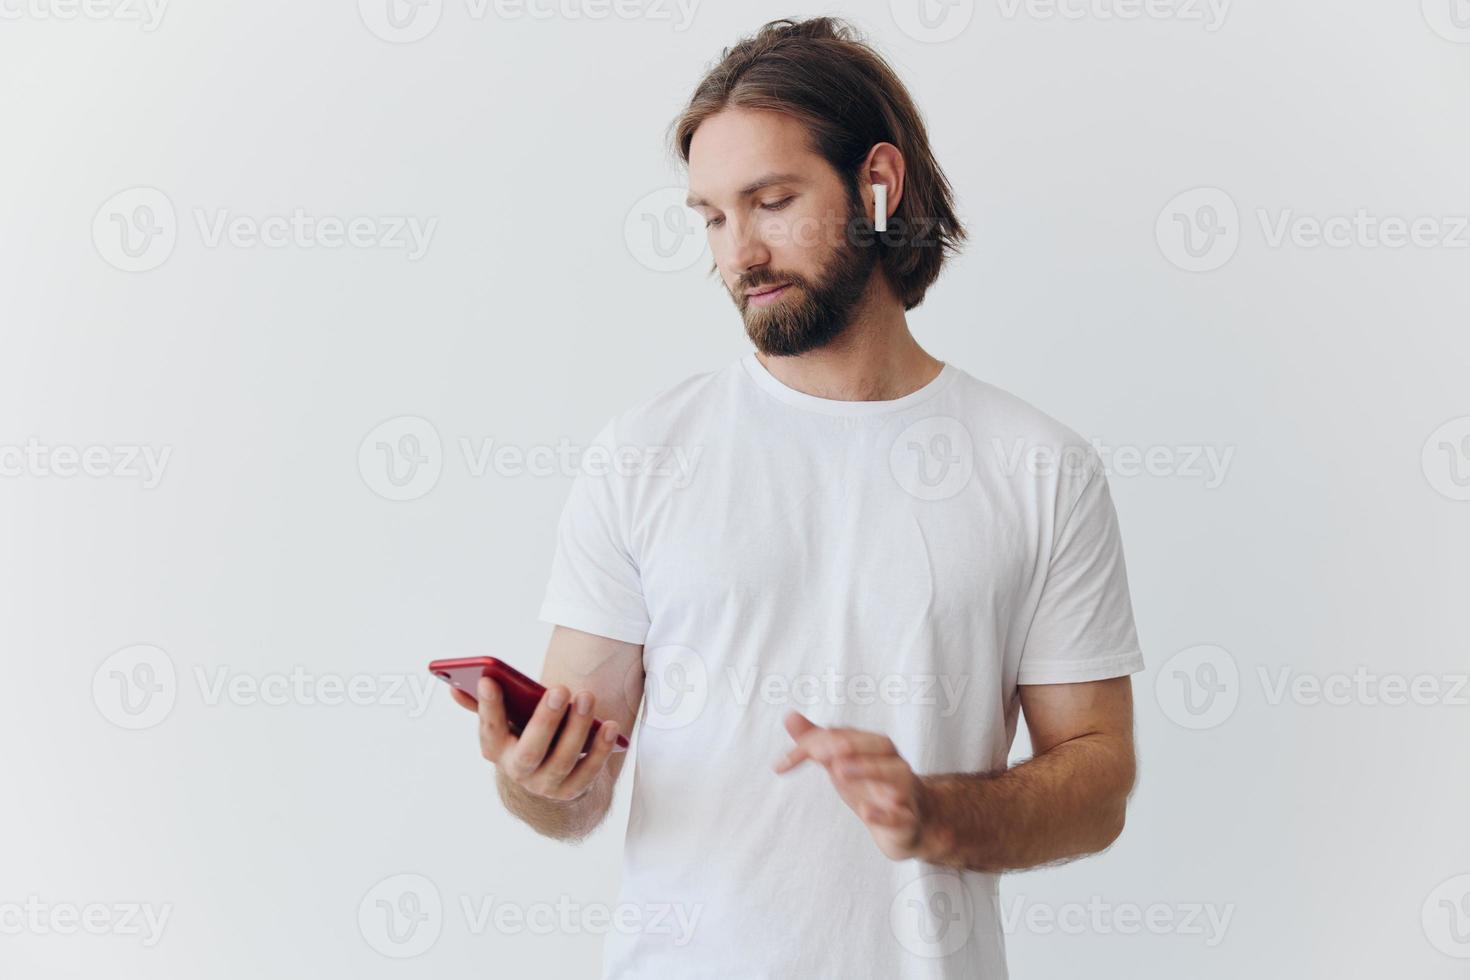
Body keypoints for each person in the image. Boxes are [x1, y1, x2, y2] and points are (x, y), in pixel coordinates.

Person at [450, 16, 1144, 978]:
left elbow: (1098, 780)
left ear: (878, 186)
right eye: (711, 217)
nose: (739, 254)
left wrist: (937, 813)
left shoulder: (1038, 467)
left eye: (772, 202)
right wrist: (537, 779)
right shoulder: (646, 455)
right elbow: (575, 788)